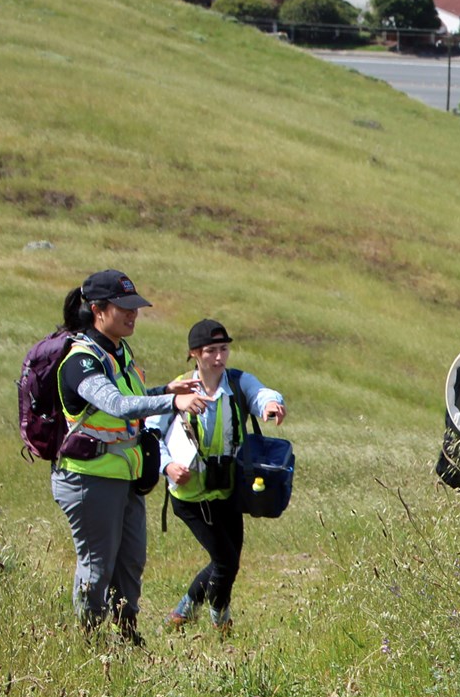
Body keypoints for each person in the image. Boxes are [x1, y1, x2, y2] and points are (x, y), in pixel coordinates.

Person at [52, 270, 211, 646]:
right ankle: (89, 643)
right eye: (123, 307)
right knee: (96, 568)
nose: (132, 314)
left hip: (124, 476)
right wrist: (172, 400)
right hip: (88, 478)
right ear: (97, 310)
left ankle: (126, 636)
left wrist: (163, 389)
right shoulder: (82, 361)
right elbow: (116, 404)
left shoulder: (118, 352)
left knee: (130, 563)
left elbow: (132, 398)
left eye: (135, 307)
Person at [149, 319, 286, 636]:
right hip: (190, 495)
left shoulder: (237, 383)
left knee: (226, 560)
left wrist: (270, 404)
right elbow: (151, 433)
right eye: (211, 350)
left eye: (224, 349)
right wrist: (167, 466)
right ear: (194, 353)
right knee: (225, 561)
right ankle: (220, 621)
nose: (219, 357)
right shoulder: (179, 388)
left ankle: (182, 613)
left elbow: (260, 393)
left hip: (227, 490)